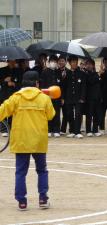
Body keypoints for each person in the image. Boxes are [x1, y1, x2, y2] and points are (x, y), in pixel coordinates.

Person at [0, 71, 55, 210]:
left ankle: (22, 201)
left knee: (20, 172)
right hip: (38, 140)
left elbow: (1, 111)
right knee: (42, 170)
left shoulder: (16, 98)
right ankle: (43, 199)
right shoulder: (44, 98)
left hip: (21, 140)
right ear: (36, 83)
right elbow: (51, 115)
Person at [62, 55, 86, 138]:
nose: (74, 63)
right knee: (69, 113)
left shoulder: (81, 73)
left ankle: (77, 131)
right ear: (69, 63)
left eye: (76, 62)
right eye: (73, 62)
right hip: (68, 97)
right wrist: (63, 98)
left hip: (78, 97)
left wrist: (82, 97)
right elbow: (64, 87)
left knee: (78, 113)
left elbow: (83, 86)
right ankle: (72, 130)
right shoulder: (66, 73)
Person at [40, 55, 62, 138]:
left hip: (57, 96)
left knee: (57, 113)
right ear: (49, 62)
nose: (54, 63)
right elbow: (42, 84)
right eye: (52, 61)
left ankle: (56, 130)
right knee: (48, 113)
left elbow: (61, 85)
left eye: (55, 61)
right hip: (47, 96)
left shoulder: (58, 71)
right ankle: (49, 130)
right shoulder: (45, 72)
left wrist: (61, 97)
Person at [57, 55, 69, 135]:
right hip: (57, 95)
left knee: (66, 113)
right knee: (57, 113)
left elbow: (67, 86)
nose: (61, 62)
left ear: (66, 62)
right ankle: (57, 129)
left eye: (63, 61)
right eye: (60, 61)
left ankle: (63, 129)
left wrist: (63, 97)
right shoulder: (55, 71)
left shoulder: (68, 71)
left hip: (66, 96)